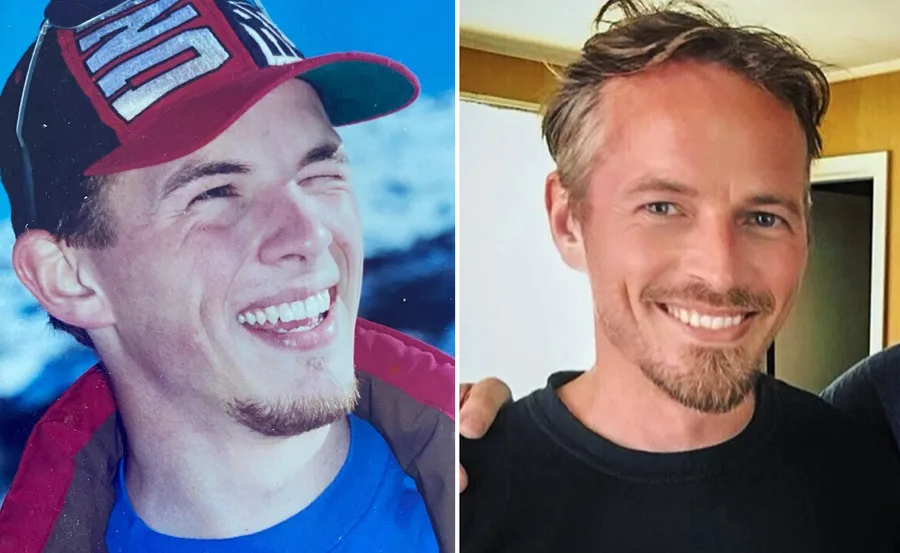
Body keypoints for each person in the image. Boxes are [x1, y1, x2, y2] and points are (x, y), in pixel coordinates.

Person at [0, 1, 454, 552]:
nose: (309, 236)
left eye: (318, 172)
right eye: (213, 193)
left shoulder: (498, 500)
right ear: (68, 279)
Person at [458, 1, 900, 551]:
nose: (720, 270)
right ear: (569, 220)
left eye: (764, 218)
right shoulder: (451, 496)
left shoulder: (868, 475)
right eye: (663, 207)